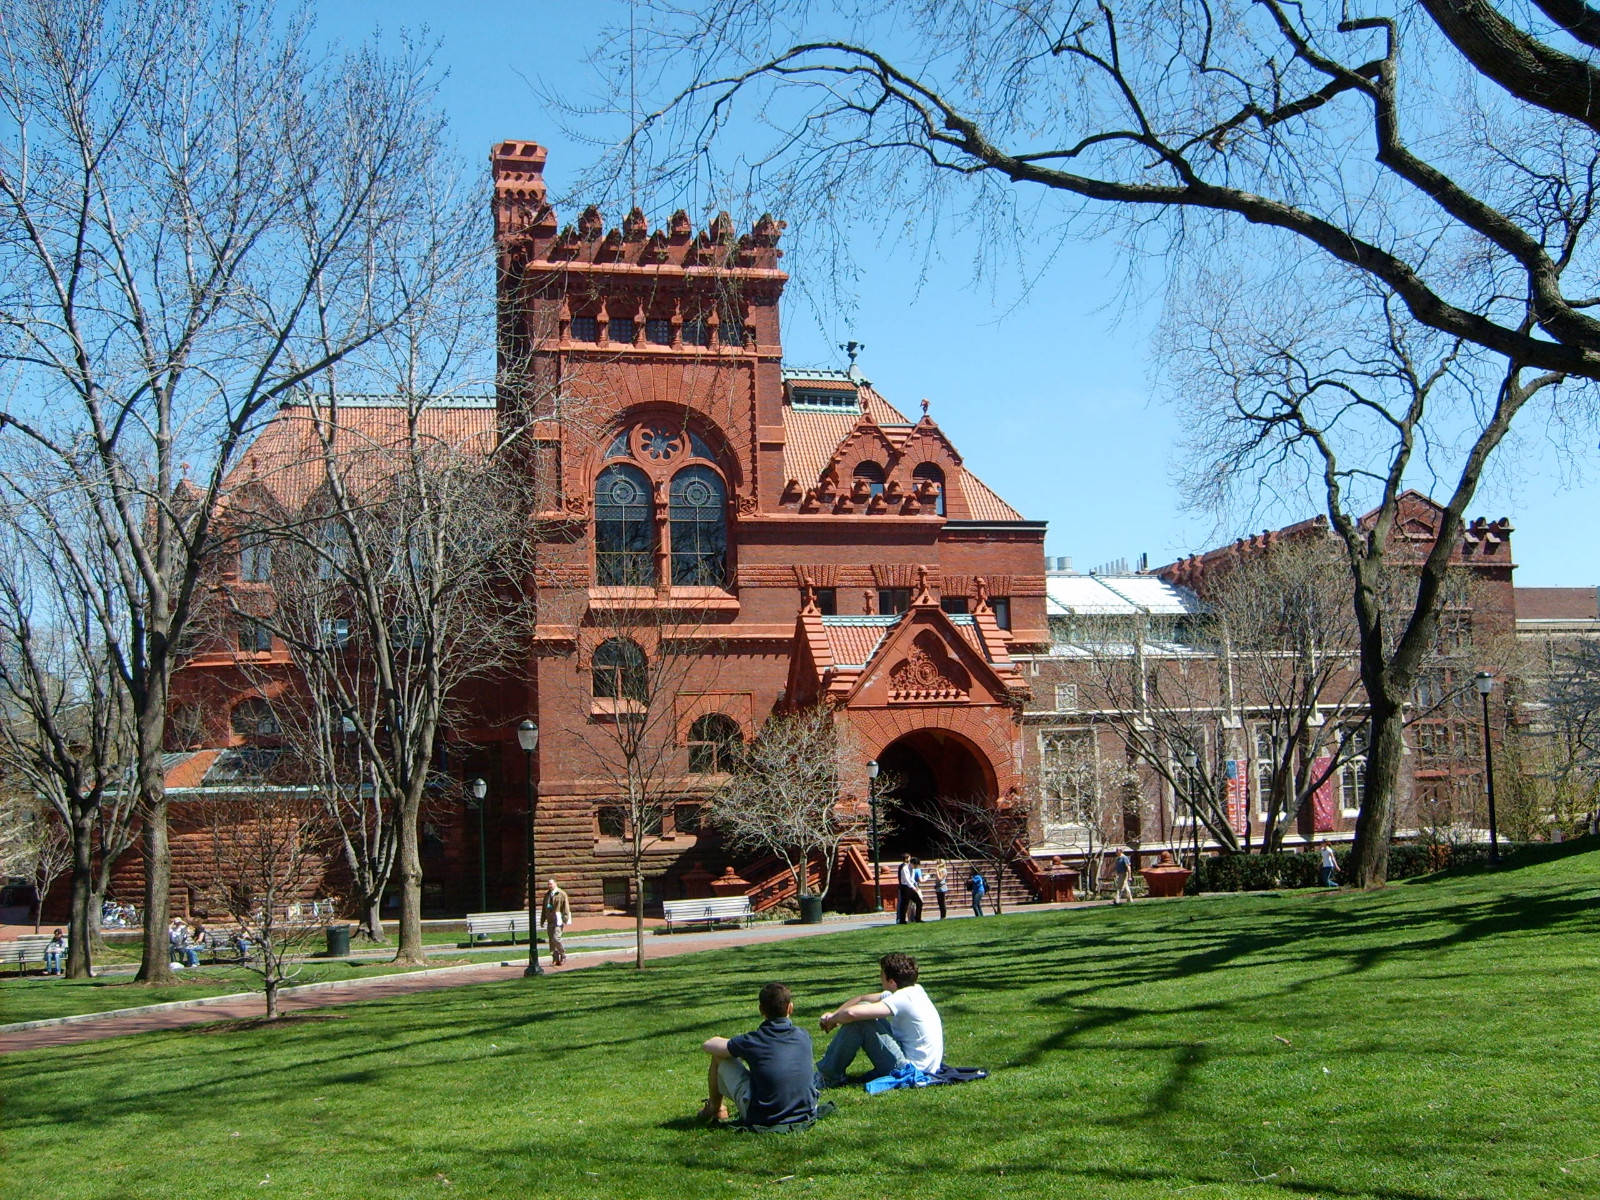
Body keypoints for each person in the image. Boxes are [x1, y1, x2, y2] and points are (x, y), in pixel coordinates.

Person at [698, 981, 819, 1128]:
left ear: (761, 1009)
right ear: (790, 1008)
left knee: (719, 1057)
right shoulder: (804, 1035)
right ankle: (716, 1109)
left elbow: (709, 1045)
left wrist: (736, 1050)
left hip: (765, 1115)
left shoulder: (754, 1040)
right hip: (807, 1109)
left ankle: (715, 1109)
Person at [816, 952, 944, 1088]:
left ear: (892, 982)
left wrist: (834, 1019)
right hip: (926, 1067)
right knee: (863, 1010)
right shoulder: (915, 990)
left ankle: (828, 1077)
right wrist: (834, 1015)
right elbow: (862, 999)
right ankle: (830, 1072)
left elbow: (852, 1013)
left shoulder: (902, 998)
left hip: (910, 1070)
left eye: (881, 975)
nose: (880, 978)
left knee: (862, 1021)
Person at [541, 878, 572, 966]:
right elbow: (544, 908)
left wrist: (566, 918)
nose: (549, 886)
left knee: (556, 938)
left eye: (551, 884)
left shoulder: (561, 894)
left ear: (555, 884)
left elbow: (566, 907)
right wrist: (543, 919)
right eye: (548, 884)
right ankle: (555, 958)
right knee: (551, 940)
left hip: (558, 919)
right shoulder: (547, 895)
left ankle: (563, 954)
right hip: (550, 919)